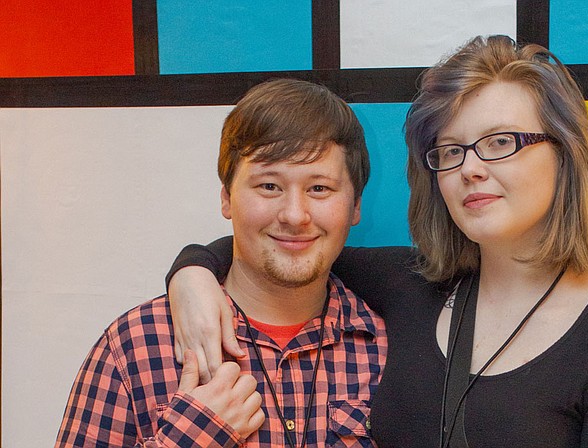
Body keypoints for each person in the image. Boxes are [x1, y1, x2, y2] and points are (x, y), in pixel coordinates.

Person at [167, 36, 588, 447]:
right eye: (451, 150)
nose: (470, 168)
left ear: (565, 153)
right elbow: (288, 244)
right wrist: (193, 273)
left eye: (500, 142)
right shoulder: (410, 286)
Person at [56, 78, 387, 447]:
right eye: (269, 186)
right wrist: (188, 438)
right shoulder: (135, 346)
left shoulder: (389, 348)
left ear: (355, 205)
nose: (295, 215)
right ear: (227, 198)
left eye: (319, 189)